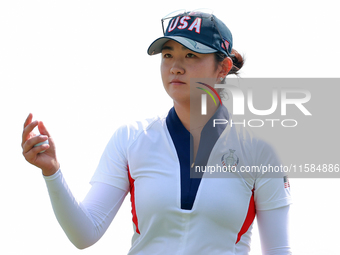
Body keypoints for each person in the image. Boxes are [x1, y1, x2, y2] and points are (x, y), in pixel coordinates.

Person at [21, 10, 292, 255]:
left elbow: (278, 250)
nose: (175, 66)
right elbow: (85, 233)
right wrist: (52, 172)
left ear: (222, 68)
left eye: (191, 55)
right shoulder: (131, 138)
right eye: (168, 55)